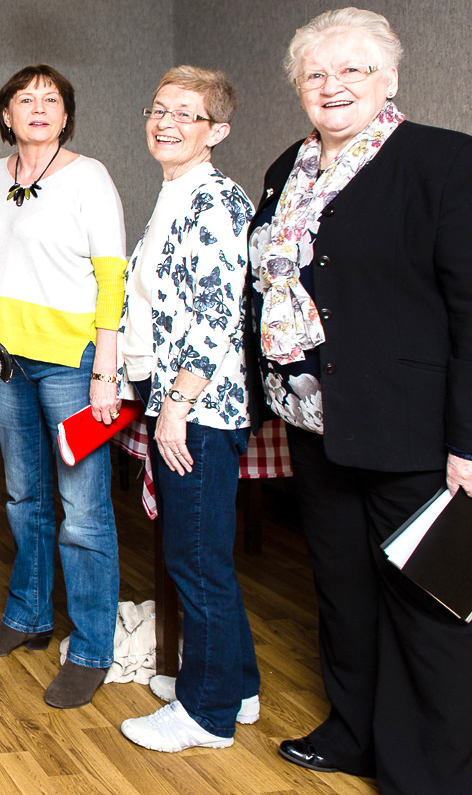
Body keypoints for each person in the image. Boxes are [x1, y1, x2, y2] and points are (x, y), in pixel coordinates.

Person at [246, 9, 472, 792]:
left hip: (412, 428)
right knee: (342, 592)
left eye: (352, 70)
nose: (332, 85)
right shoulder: (287, 168)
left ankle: (431, 769)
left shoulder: (442, 162)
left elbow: (470, 309)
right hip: (314, 422)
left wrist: (468, 442)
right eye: (315, 74)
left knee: (430, 604)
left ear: (391, 80)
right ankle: (354, 733)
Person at [0, 64, 126, 709]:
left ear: (66, 116)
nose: (38, 107)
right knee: (22, 496)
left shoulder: (89, 177)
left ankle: (91, 649)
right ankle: (28, 616)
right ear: (6, 114)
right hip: (8, 359)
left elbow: (112, 277)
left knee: (84, 510)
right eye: (25, 98)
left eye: (51, 99)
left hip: (73, 361)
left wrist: (106, 372)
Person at [113, 66, 259, 753]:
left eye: (186, 115)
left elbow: (217, 312)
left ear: (217, 131)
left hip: (199, 409)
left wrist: (175, 403)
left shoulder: (218, 200)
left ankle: (207, 713)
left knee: (196, 562)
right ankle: (239, 685)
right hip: (174, 403)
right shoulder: (176, 193)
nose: (166, 123)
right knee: (200, 557)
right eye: (159, 108)